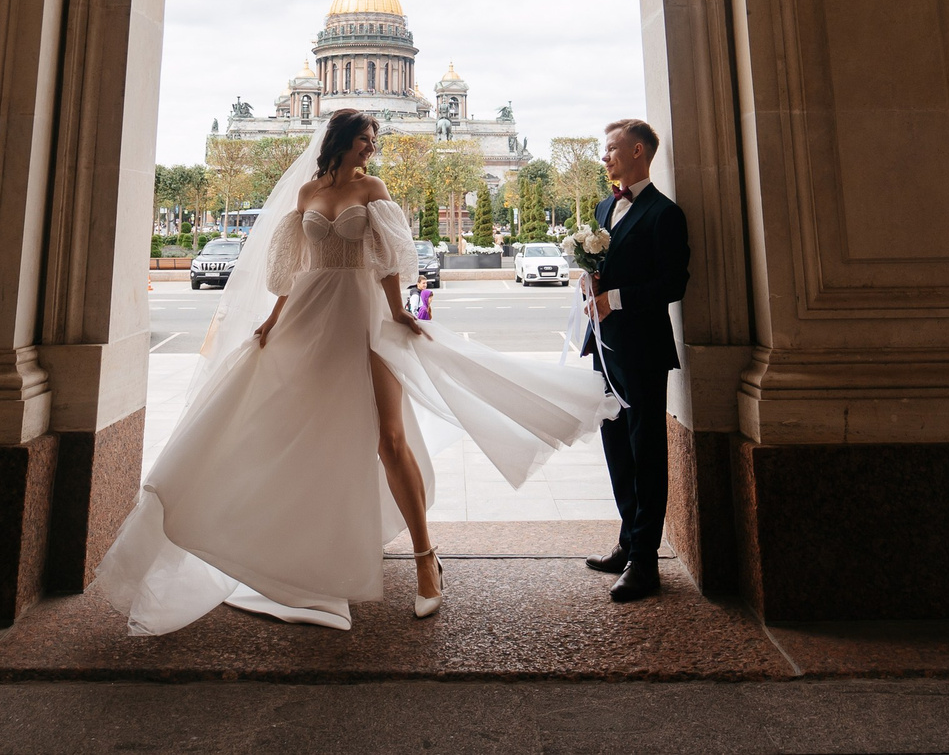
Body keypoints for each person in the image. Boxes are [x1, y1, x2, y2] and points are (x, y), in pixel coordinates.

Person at [94, 108, 619, 635]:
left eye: (373, 139)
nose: (371, 147)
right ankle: (304, 557)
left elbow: (390, 260)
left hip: (364, 315)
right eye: (364, 138)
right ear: (340, 141)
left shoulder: (374, 189)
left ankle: (425, 560)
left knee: (390, 441)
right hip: (308, 316)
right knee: (299, 435)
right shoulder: (307, 193)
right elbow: (290, 269)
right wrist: (273, 320)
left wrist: (395, 313)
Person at [580, 116, 690, 602]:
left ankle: (647, 563)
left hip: (643, 351)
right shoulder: (605, 206)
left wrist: (615, 299)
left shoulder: (665, 214)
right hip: (604, 348)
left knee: (646, 451)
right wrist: (590, 285)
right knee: (616, 447)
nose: (604, 157)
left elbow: (672, 284)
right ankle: (628, 542)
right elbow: (603, 270)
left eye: (611, 149)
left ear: (640, 151)